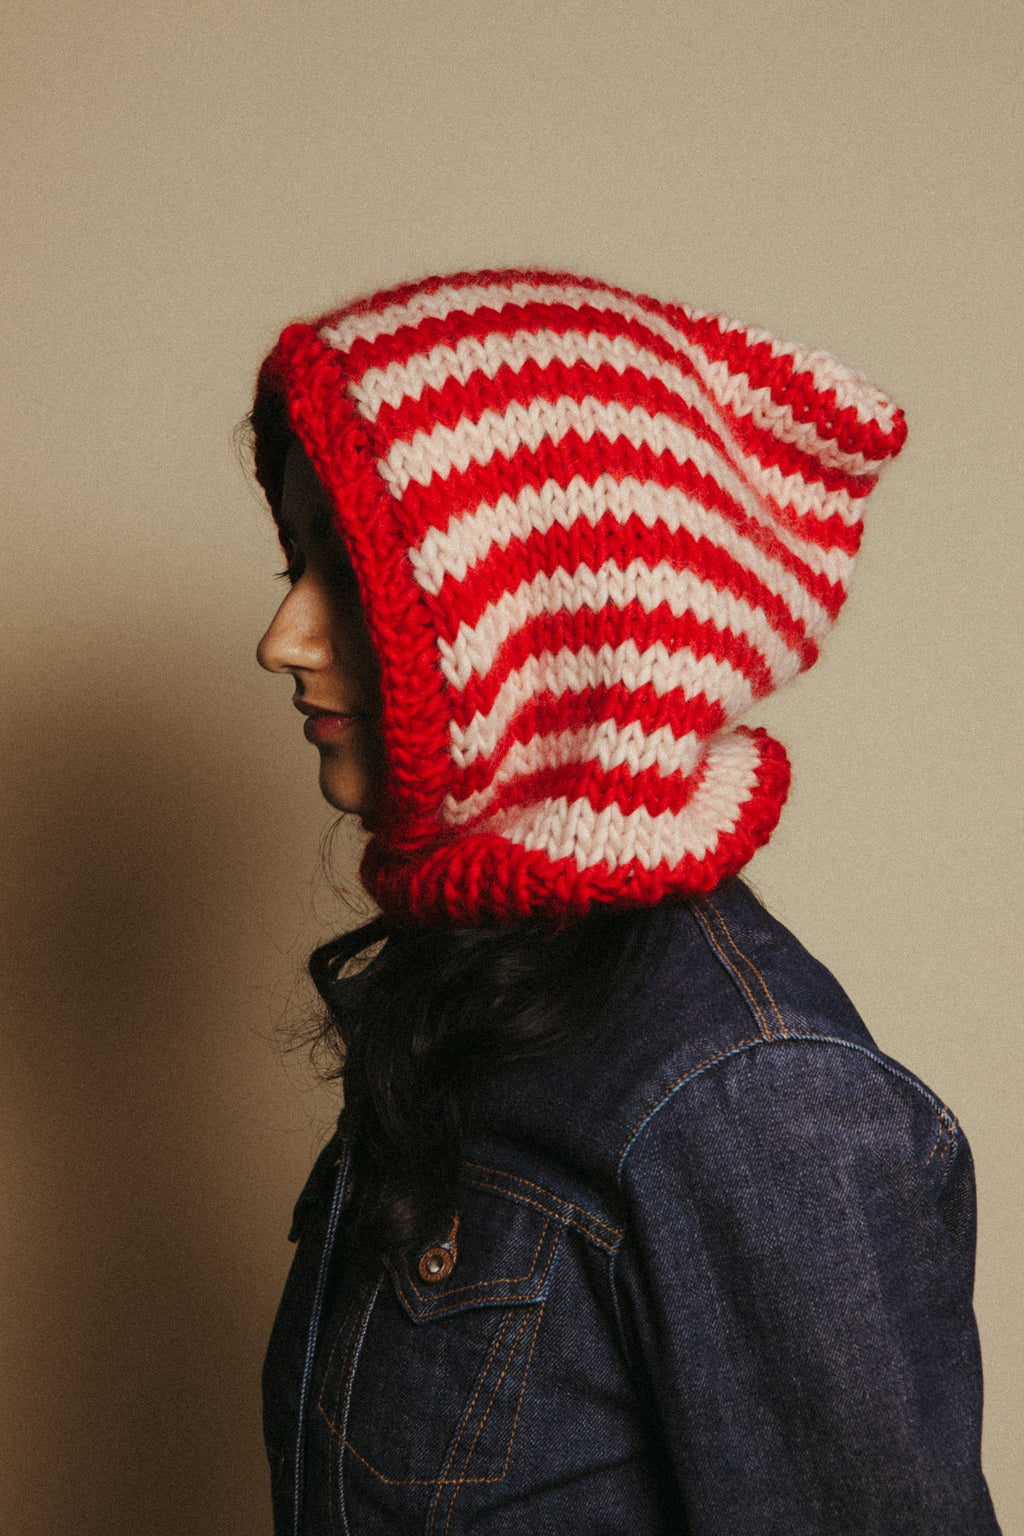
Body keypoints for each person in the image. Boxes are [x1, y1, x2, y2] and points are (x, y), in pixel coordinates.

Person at [251, 268, 1000, 1534]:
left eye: (355, 576)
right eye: (295, 558)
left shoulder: (750, 1096)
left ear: (547, 623)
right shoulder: (479, 989)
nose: (282, 636)